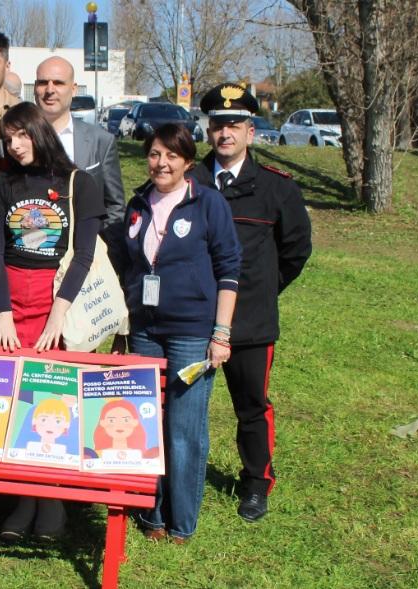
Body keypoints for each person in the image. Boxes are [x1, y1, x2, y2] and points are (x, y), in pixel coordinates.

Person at [0, 102, 106, 542]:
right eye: (8, 139)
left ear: (40, 132)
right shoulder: (2, 183)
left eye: (23, 136)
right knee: (17, 401)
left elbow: (85, 254)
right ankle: (23, 498)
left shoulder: (78, 183)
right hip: (11, 303)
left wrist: (58, 314)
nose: (15, 146)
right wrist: (3, 314)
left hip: (58, 301)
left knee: (52, 399)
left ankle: (51, 499)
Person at [112, 123, 242, 544]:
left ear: (187, 160)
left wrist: (220, 333)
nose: (161, 163)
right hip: (145, 330)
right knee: (147, 426)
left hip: (190, 332)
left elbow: (229, 271)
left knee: (184, 429)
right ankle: (151, 515)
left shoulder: (208, 203)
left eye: (171, 155)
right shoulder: (137, 204)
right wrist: (120, 329)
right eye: (154, 154)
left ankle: (181, 522)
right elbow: (127, 268)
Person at [190, 83, 313, 523]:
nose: (226, 134)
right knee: (178, 404)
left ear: (251, 132)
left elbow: (296, 250)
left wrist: (260, 291)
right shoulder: (189, 182)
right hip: (191, 319)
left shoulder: (276, 189)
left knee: (251, 406)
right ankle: (170, 477)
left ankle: (256, 483)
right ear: (208, 131)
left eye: (235, 125)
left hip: (251, 323)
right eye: (218, 125)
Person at [33, 56, 125, 230]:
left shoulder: (101, 141)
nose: (50, 90)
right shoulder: (14, 141)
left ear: (73, 89)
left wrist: (93, 244)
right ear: (35, 87)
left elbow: (115, 206)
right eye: (43, 82)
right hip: (32, 247)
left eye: (59, 83)